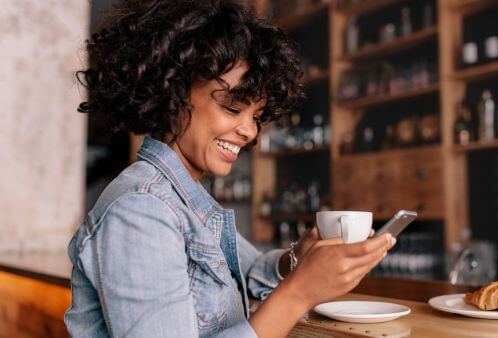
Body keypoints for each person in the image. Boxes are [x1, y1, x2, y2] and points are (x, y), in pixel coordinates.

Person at [64, 1, 395, 337]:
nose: (250, 131)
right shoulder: (142, 209)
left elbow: (249, 271)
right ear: (173, 92)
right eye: (233, 107)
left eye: (256, 116)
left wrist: (297, 260)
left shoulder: (187, 200)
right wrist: (300, 293)